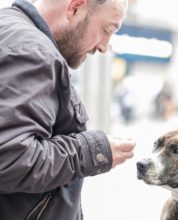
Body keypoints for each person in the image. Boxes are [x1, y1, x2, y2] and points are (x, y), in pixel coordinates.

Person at [0, 0, 136, 219]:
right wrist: (92, 151)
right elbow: (11, 158)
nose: (103, 46)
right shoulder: (34, 53)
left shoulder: (8, 27)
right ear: (75, 7)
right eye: (107, 30)